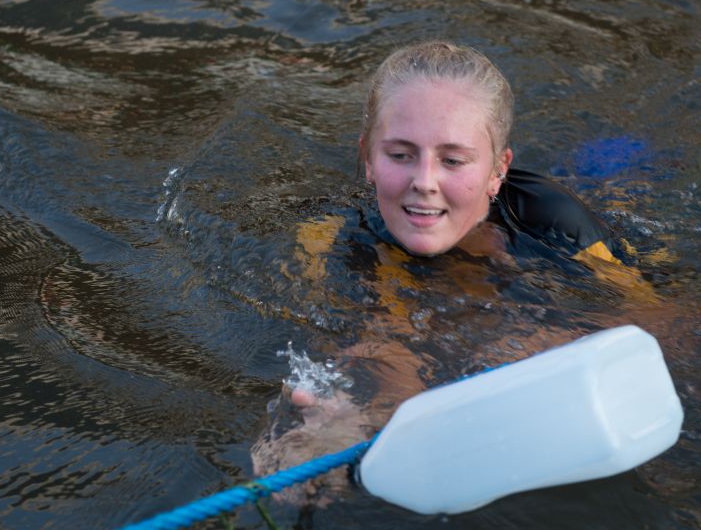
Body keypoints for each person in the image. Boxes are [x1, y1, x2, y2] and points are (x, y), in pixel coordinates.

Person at [251, 41, 656, 496]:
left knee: (624, 166)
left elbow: (670, 326)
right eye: (400, 155)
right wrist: (346, 422)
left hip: (615, 190)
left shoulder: (558, 224)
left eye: (453, 160)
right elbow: (372, 345)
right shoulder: (327, 239)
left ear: (497, 169)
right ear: (367, 158)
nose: (423, 182)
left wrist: (537, 349)